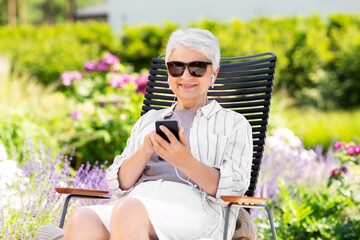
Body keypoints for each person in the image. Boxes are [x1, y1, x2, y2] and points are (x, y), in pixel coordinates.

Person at [63, 28, 253, 240]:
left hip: (197, 210)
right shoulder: (149, 120)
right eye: (177, 67)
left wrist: (185, 161)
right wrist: (144, 151)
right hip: (136, 201)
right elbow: (117, 184)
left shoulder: (233, 123)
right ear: (169, 73)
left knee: (128, 211)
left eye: (197, 68)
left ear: (213, 74)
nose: (186, 76)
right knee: (82, 218)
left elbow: (235, 188)